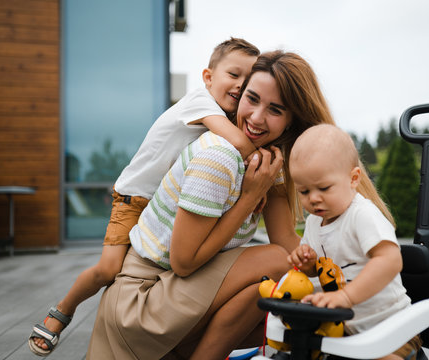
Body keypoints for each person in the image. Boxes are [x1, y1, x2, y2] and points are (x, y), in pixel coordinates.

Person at [85, 50, 394, 360]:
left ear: (290, 123)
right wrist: (248, 198)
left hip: (173, 294)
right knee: (278, 266)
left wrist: (363, 276)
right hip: (142, 300)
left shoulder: (267, 162)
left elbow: (289, 244)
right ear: (240, 95)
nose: (257, 117)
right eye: (252, 99)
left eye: (275, 109)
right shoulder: (219, 156)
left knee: (277, 294)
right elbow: (184, 262)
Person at [28, 37, 260, 356]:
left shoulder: (221, 115)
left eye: (247, 81)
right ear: (208, 77)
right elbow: (240, 143)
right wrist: (268, 167)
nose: (239, 85)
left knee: (150, 272)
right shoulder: (201, 103)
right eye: (233, 75)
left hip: (159, 206)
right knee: (109, 269)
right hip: (133, 198)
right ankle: (62, 311)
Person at [287, 124, 422, 360]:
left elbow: (390, 260)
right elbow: (316, 270)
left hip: (390, 329)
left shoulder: (362, 215)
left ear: (353, 178)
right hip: (342, 331)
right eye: (304, 191)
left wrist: (346, 297)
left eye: (324, 188)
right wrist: (306, 263)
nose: (313, 199)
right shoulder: (313, 223)